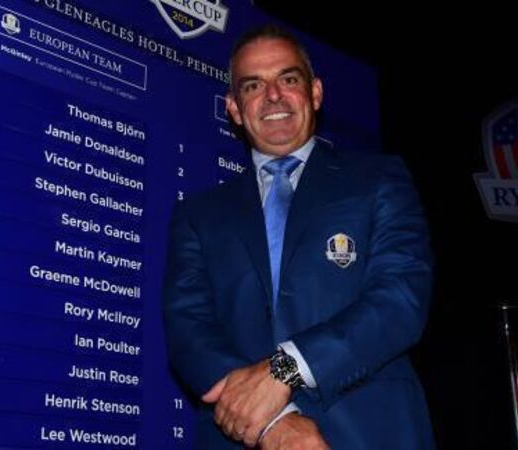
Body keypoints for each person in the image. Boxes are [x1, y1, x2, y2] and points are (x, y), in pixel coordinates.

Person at [163, 25, 435, 449]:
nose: (273, 95)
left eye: (288, 79)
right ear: (234, 108)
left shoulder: (380, 179)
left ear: (316, 93)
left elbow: (400, 300)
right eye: (253, 85)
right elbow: (188, 330)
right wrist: (274, 422)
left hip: (368, 433)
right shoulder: (197, 215)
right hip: (245, 437)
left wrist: (284, 370)